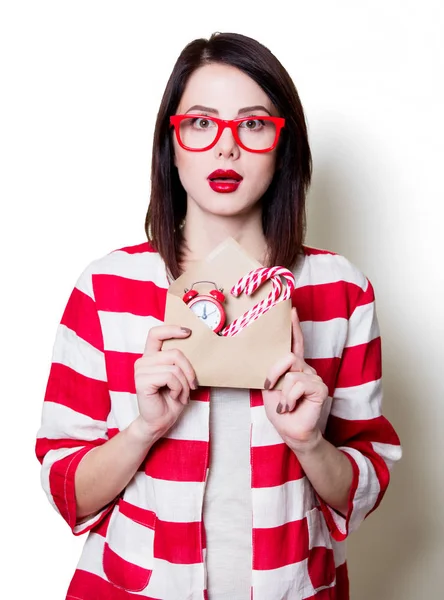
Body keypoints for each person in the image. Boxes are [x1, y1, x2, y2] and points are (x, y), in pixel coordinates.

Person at [35, 31, 402, 600]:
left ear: (284, 145)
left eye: (253, 124)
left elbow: (365, 483)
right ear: (171, 142)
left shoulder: (339, 290)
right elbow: (66, 487)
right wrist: (144, 428)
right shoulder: (107, 288)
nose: (226, 147)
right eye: (201, 123)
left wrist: (308, 442)